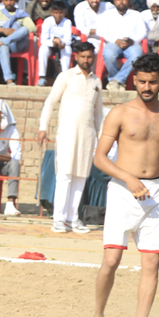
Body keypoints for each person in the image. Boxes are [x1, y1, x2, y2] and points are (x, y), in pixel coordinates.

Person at [85, 52, 159, 317]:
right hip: (123, 190)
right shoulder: (119, 113)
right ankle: (97, 315)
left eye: (153, 82)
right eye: (143, 81)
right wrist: (129, 178)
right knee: (111, 260)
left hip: (156, 192)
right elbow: (99, 158)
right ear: (134, 80)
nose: (147, 87)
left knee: (151, 264)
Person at [37, 40, 101, 234]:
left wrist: (100, 138)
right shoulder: (66, 76)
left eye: (89, 57)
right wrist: (43, 128)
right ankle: (59, 218)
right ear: (76, 57)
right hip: (67, 133)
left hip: (87, 135)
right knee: (65, 175)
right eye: (83, 56)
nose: (86, 60)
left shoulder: (96, 82)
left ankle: (73, 218)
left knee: (81, 176)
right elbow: (50, 102)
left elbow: (98, 113)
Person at [98, 0, 147, 91]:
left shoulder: (136, 14)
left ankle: (116, 81)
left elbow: (143, 32)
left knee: (137, 55)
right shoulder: (107, 14)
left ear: (128, 0)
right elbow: (101, 31)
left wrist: (132, 40)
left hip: (131, 44)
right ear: (114, 0)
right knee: (108, 54)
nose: (121, 2)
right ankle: (115, 80)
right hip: (113, 43)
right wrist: (115, 40)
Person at [36, 0, 72, 87]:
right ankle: (42, 77)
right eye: (56, 13)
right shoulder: (47, 21)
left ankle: (65, 77)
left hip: (62, 45)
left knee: (67, 49)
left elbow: (68, 39)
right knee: (43, 49)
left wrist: (62, 43)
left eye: (61, 13)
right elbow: (43, 40)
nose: (58, 15)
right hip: (50, 45)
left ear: (64, 13)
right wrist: (53, 42)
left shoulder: (67, 22)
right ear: (52, 13)